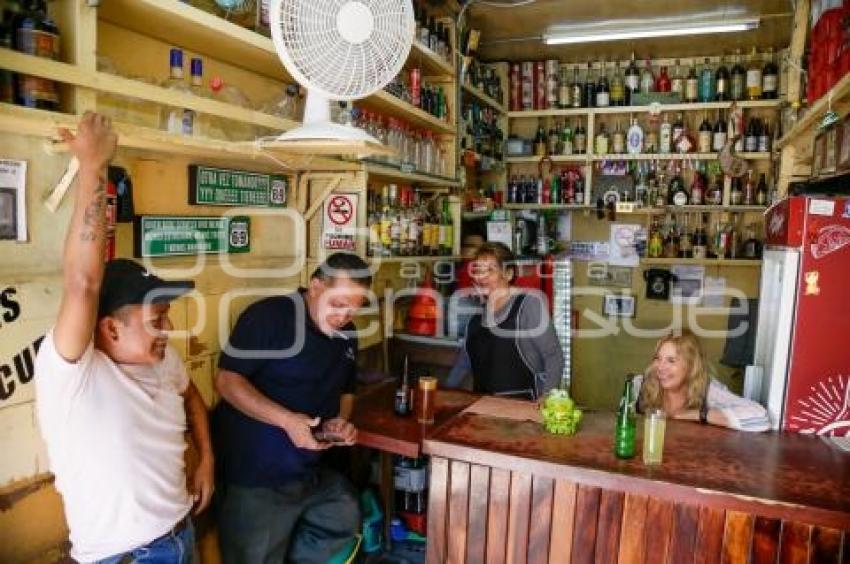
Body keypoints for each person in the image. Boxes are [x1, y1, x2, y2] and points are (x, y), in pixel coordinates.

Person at [33, 113, 214, 563]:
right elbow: (82, 284)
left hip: (181, 534)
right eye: (158, 317)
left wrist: (207, 458)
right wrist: (93, 165)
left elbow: (192, 396)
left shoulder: (162, 361)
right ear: (110, 327)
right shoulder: (72, 374)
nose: (168, 329)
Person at [213, 252, 370, 563]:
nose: (345, 315)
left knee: (345, 512)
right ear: (315, 287)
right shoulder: (270, 317)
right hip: (259, 475)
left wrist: (340, 421)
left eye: (355, 307)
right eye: (338, 304)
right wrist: (287, 421)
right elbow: (227, 382)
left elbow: (347, 390)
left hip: (312, 471)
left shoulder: (347, 334)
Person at [447, 242, 563, 400]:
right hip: (482, 410)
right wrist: (443, 392)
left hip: (523, 410)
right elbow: (463, 363)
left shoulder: (529, 305)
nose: (482, 277)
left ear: (508, 274)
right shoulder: (475, 319)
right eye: (478, 271)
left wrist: (547, 397)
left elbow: (553, 356)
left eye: (490, 270)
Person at [635, 330, 771, 432]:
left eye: (671, 360)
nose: (661, 367)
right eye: (658, 358)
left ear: (690, 365)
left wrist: (701, 414)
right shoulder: (640, 385)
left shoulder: (707, 389)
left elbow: (761, 418)